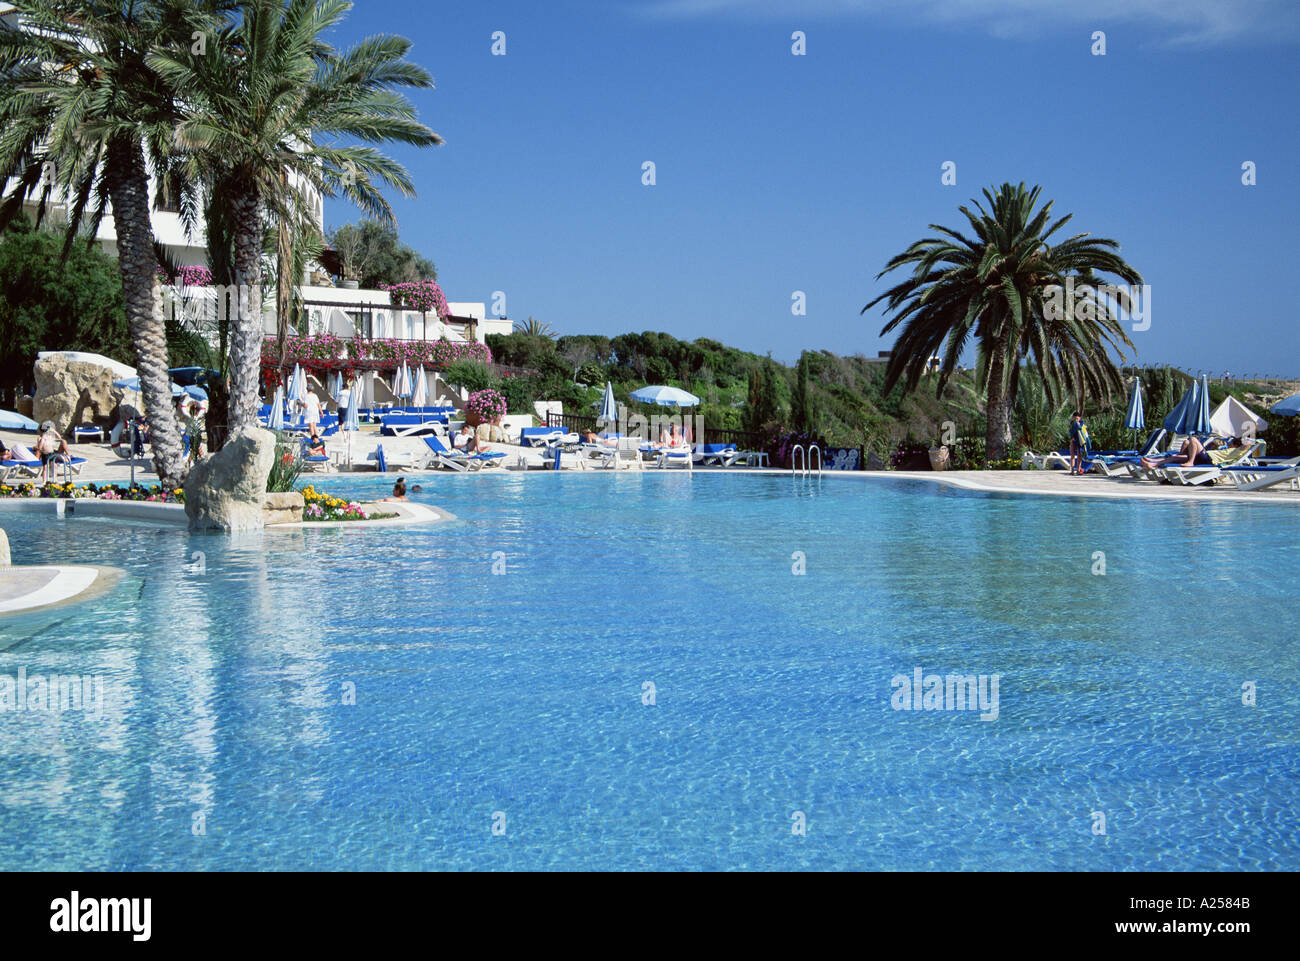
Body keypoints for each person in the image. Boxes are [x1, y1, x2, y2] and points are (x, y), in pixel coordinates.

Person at [1141, 434, 1209, 470]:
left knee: (1193, 439)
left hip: (1208, 458)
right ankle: (1152, 463)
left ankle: (1190, 462)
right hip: (1199, 458)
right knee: (1186, 442)